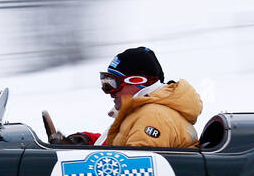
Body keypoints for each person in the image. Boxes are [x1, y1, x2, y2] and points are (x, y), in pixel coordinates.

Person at [58, 47, 202, 149]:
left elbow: (133, 172)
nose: (110, 92)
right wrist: (87, 141)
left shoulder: (153, 116)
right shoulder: (144, 113)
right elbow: (121, 147)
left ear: (138, 81)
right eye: (105, 82)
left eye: (112, 83)